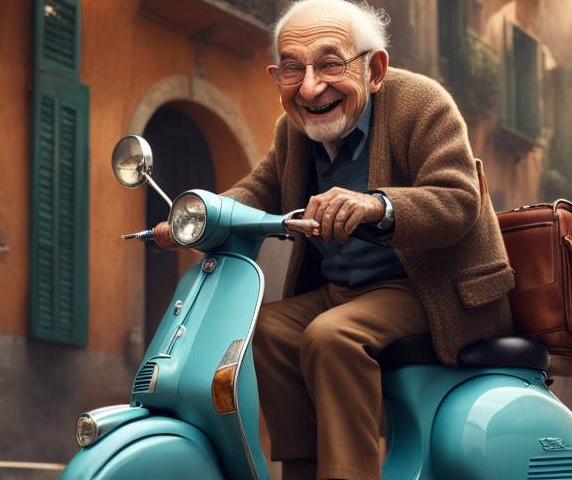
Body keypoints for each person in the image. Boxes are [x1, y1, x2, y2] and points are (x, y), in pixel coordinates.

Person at [152, 0, 515, 478]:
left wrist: (377, 204)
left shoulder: (421, 103)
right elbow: (257, 192)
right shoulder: (293, 131)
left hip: (427, 287)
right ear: (275, 76)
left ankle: (349, 472)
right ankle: (302, 470)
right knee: (264, 330)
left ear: (374, 68)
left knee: (332, 337)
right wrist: (195, 217)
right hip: (341, 291)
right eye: (292, 69)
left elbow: (457, 200)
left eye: (329, 64)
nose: (310, 87)